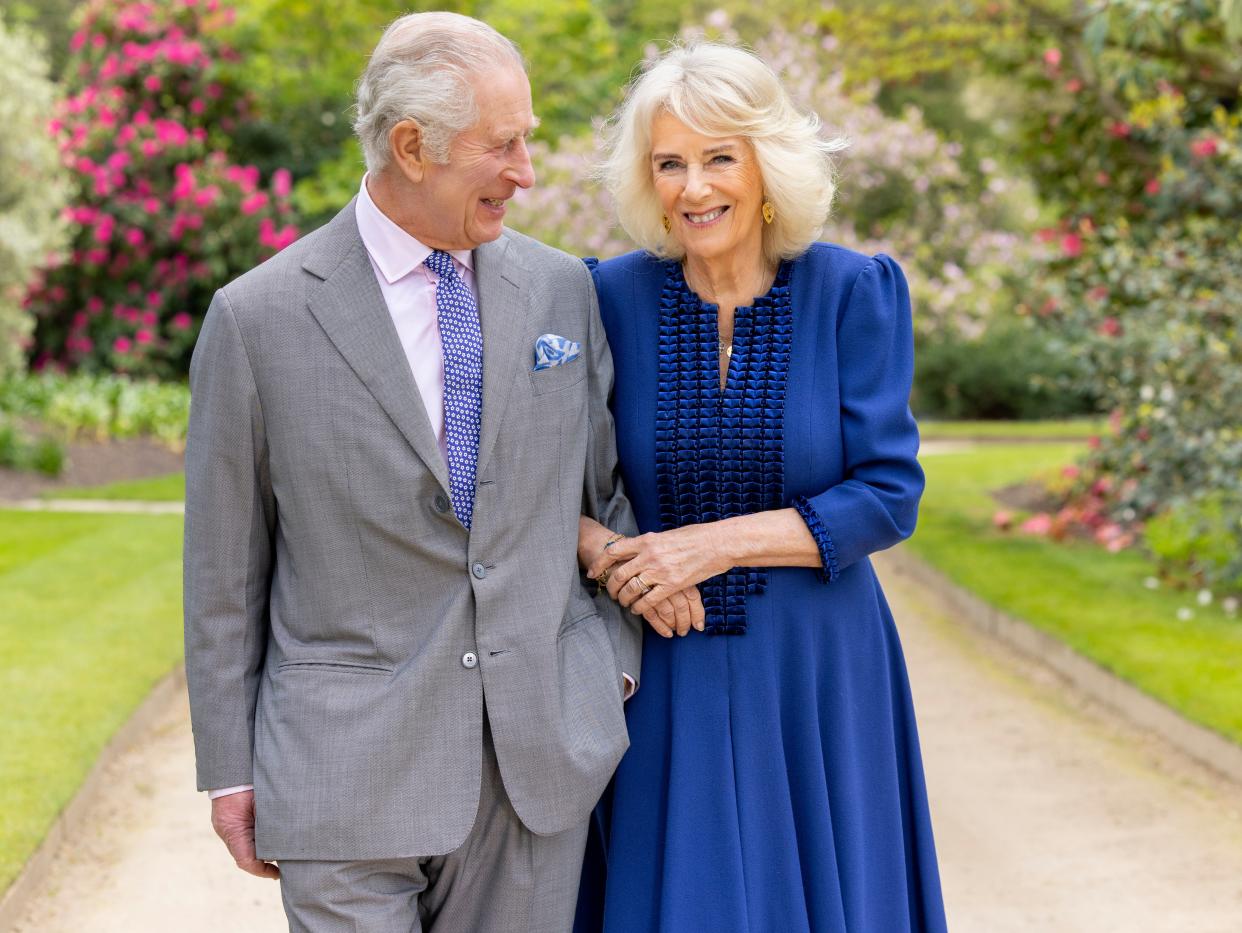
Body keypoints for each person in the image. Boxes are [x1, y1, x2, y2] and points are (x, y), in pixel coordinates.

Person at [183, 13, 689, 931]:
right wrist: (230, 769)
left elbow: (601, 495)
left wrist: (602, 673)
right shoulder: (255, 320)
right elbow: (224, 571)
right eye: (503, 145)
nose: (526, 171)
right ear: (412, 148)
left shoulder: (559, 290)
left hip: (534, 765)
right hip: (343, 778)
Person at [574, 43, 948, 931]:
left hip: (820, 668)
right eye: (670, 163)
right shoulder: (602, 298)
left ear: (766, 167)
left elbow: (890, 492)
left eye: (718, 158)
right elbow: (543, 481)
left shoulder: (855, 290)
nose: (694, 187)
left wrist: (713, 543)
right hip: (663, 664)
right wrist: (610, 556)